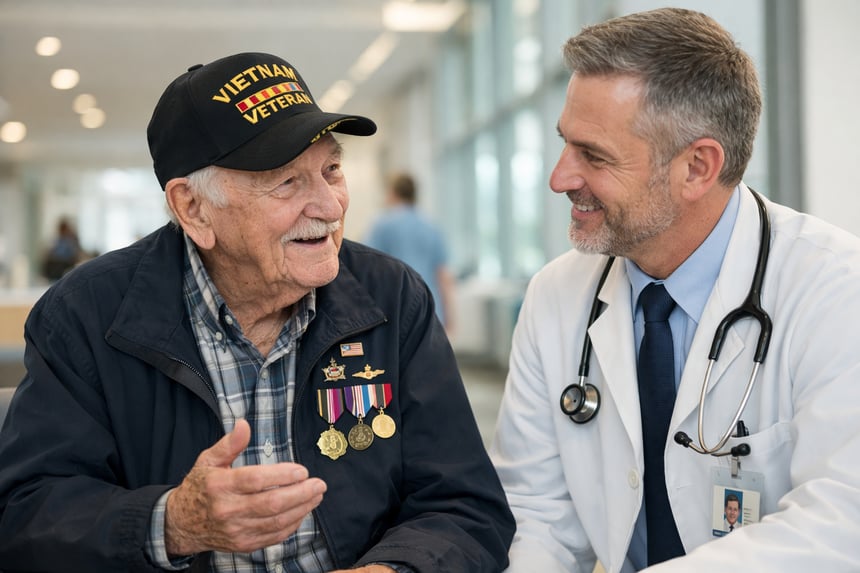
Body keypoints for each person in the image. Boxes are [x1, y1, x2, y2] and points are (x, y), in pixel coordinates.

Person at [0, 52, 514, 572]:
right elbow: (24, 518)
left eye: (331, 169)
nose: (330, 206)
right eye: (287, 182)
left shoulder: (392, 297)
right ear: (193, 209)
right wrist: (173, 522)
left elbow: (466, 504)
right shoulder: (85, 316)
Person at [491, 7, 860, 573]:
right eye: (565, 143)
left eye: (593, 155)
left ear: (697, 167)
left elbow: (839, 521)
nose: (559, 177)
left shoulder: (834, 289)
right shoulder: (556, 296)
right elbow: (539, 514)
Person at [365, 173, 455, 333]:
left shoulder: (382, 225)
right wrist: (450, 319)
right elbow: (443, 276)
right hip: (430, 310)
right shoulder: (431, 226)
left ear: (392, 193)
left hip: (395, 312)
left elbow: (367, 269)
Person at [40, 217, 83, 281]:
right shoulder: (57, 241)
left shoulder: (71, 241)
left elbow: (76, 255)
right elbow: (51, 253)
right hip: (56, 265)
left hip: (66, 265)